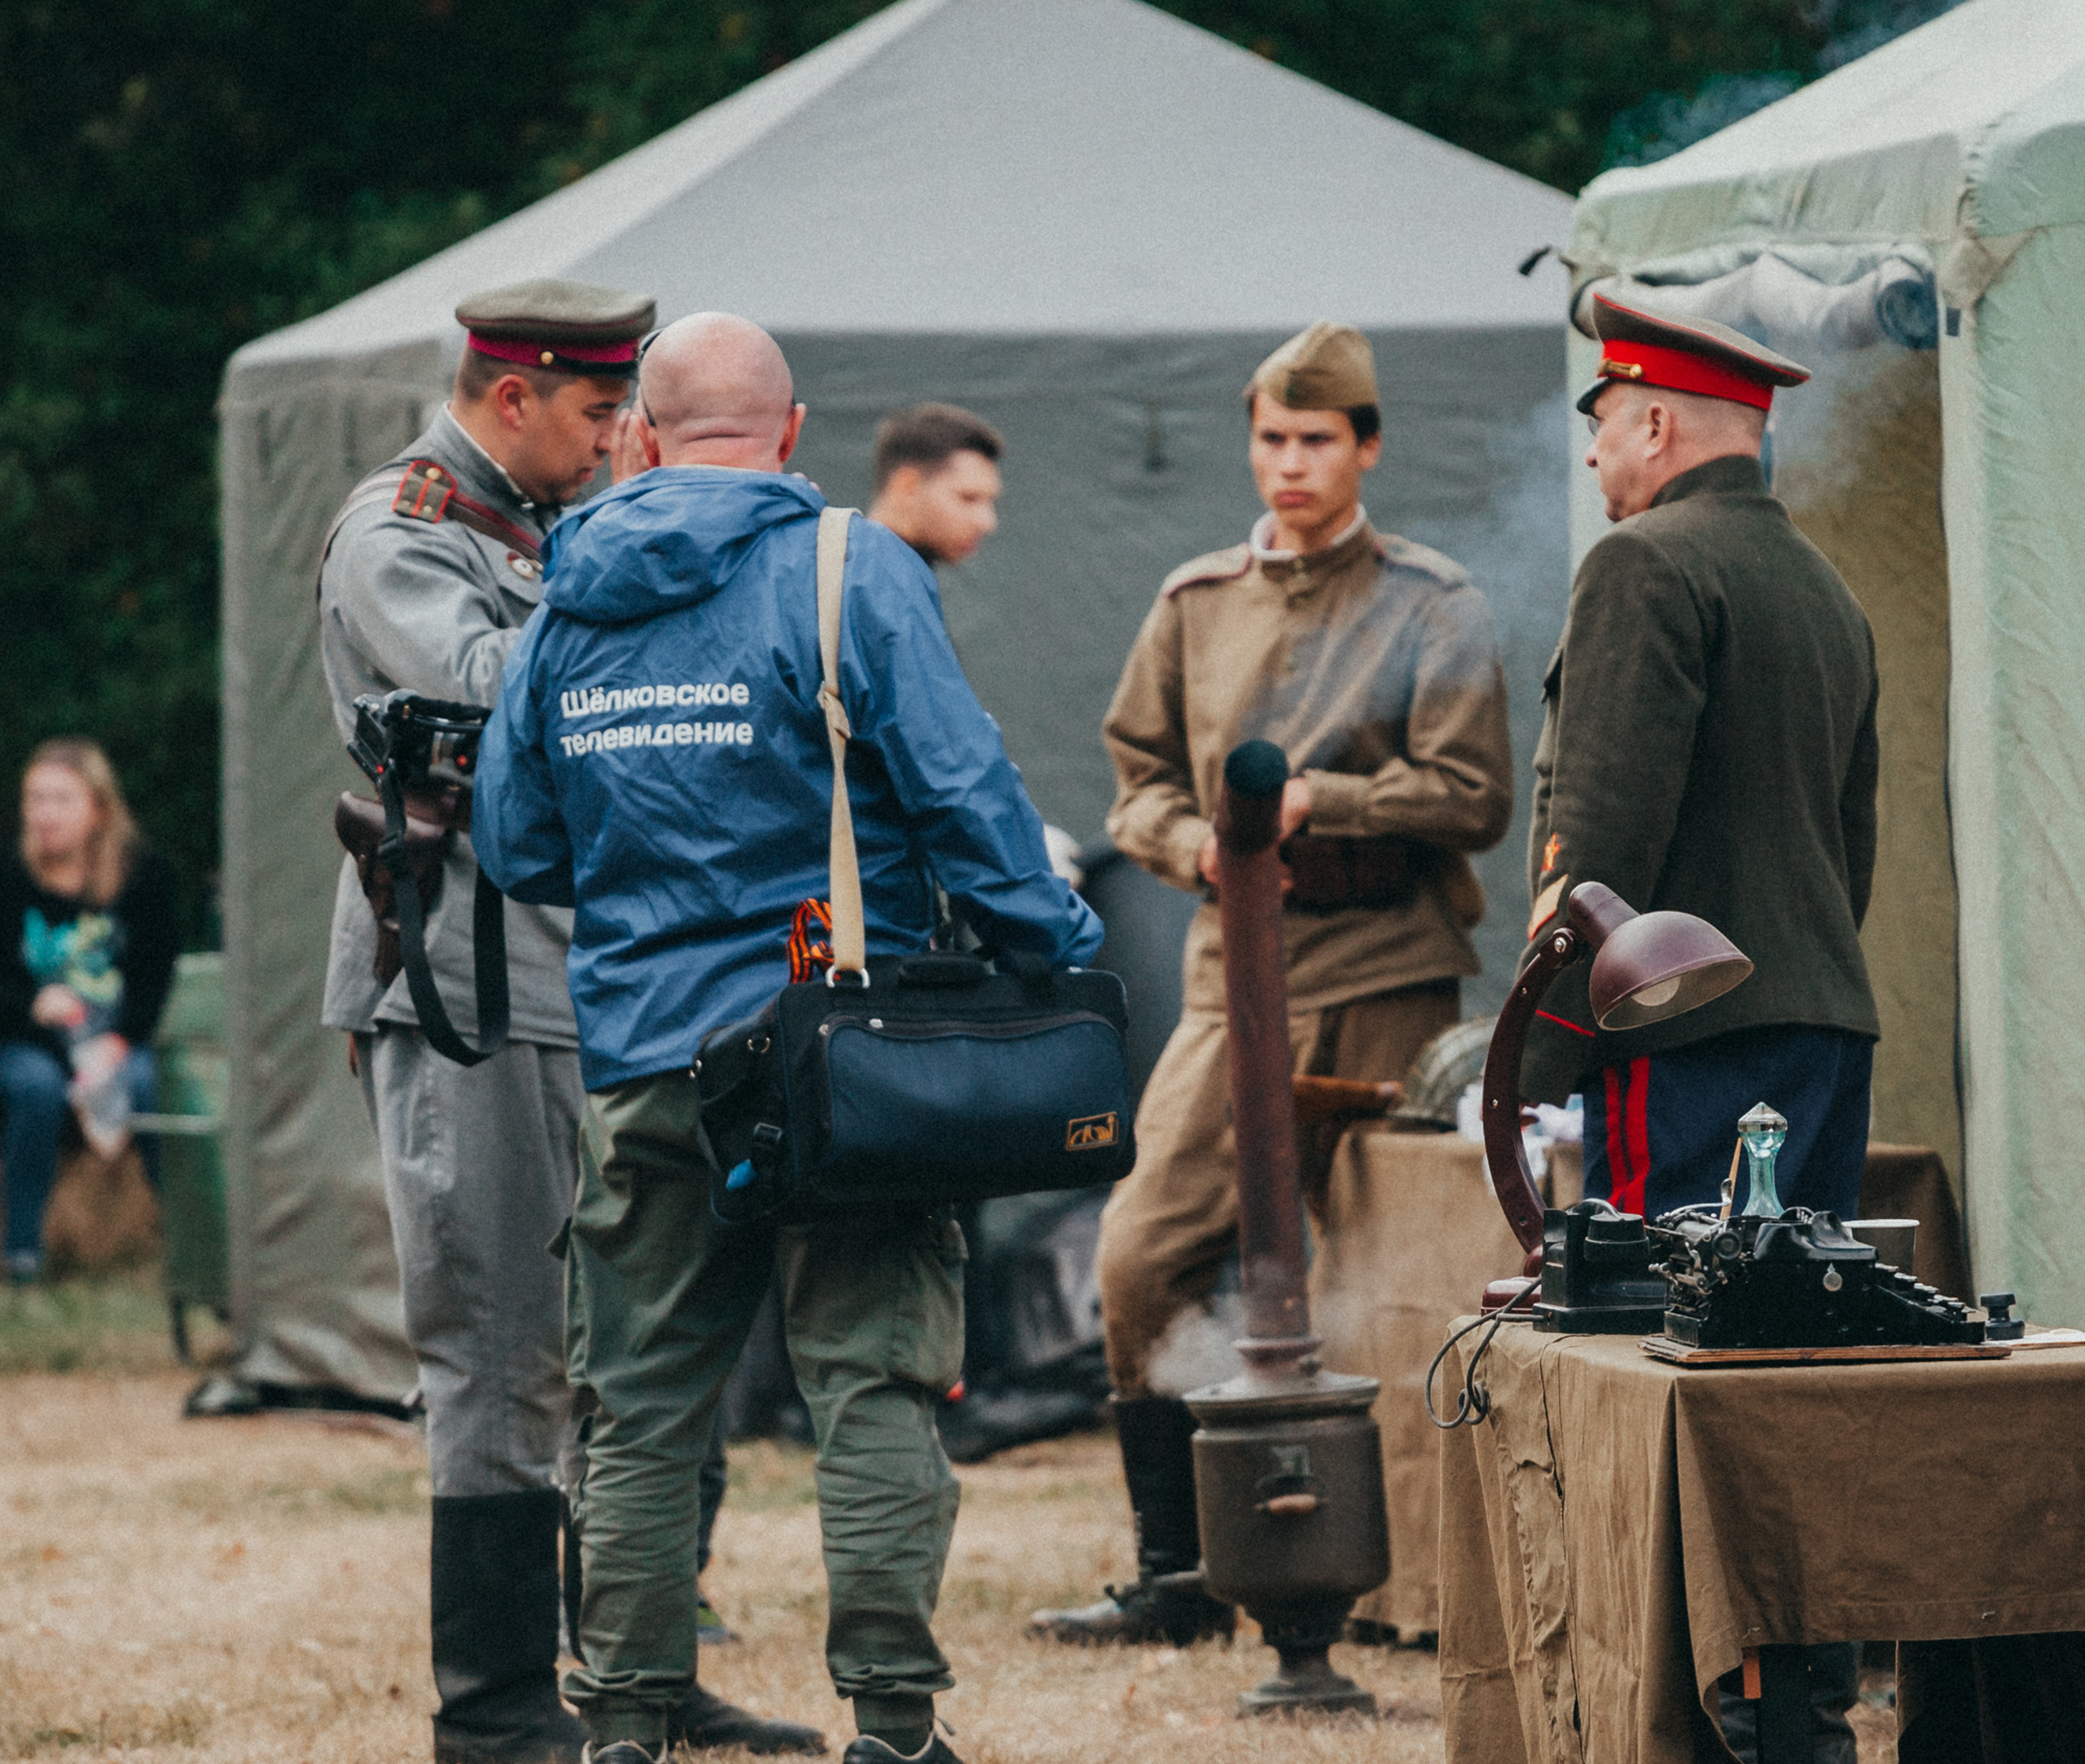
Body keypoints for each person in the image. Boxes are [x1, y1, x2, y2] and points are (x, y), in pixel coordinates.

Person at [472, 311, 1103, 1764]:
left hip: (644, 1059)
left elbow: (517, 844)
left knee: (637, 1408)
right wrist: (1059, 950)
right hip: (843, 1062)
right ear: (794, 433)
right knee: (873, 1384)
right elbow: (964, 794)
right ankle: (893, 1725)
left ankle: (623, 1726)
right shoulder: (846, 566)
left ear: (639, 435)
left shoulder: (567, 597)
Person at [319, 278, 810, 1764]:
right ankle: (495, 1711)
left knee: (640, 1331)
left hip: (603, 976)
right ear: (513, 394)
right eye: (601, 415)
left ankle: (634, 1672)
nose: (616, 445)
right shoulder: (401, 532)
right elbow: (511, 700)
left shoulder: (560, 530)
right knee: (501, 1339)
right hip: (465, 979)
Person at [1032, 322, 1514, 1648]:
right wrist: (1195, 842)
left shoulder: (1433, 602)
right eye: (1272, 439)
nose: (1290, 463)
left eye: (1317, 439)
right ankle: (1180, 1573)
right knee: (1142, 1252)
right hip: (1229, 978)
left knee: (1381, 1272)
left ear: (1367, 447)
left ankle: (1398, 1576)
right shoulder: (1197, 603)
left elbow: (1473, 795)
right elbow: (1136, 784)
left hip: (1387, 972)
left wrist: (1325, 802)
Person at [1523, 291, 1880, 1218]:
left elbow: (1603, 835)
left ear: (1654, 424)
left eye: (1600, 422)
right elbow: (1851, 843)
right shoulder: (1827, 588)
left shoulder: (1640, 561)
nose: (1591, 453)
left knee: (1656, 1301)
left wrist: (1539, 1046)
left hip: (1684, 1033)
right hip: (1826, 1031)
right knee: (1795, 1306)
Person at [0, 740, 177, 1284]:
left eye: (61, 799)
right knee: (34, 1088)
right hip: (28, 1041)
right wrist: (33, 1004)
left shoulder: (144, 878)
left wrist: (116, 1044)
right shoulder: (10, 877)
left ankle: (185, 1245)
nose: (45, 813)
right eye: (35, 799)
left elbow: (152, 982)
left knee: (148, 1087)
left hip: (116, 1040)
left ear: (98, 808)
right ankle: (22, 1253)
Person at [866, 405, 1003, 567]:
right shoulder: (870, 577)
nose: (987, 523)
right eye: (968, 498)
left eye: (989, 501)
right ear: (908, 487)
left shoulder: (889, 569)